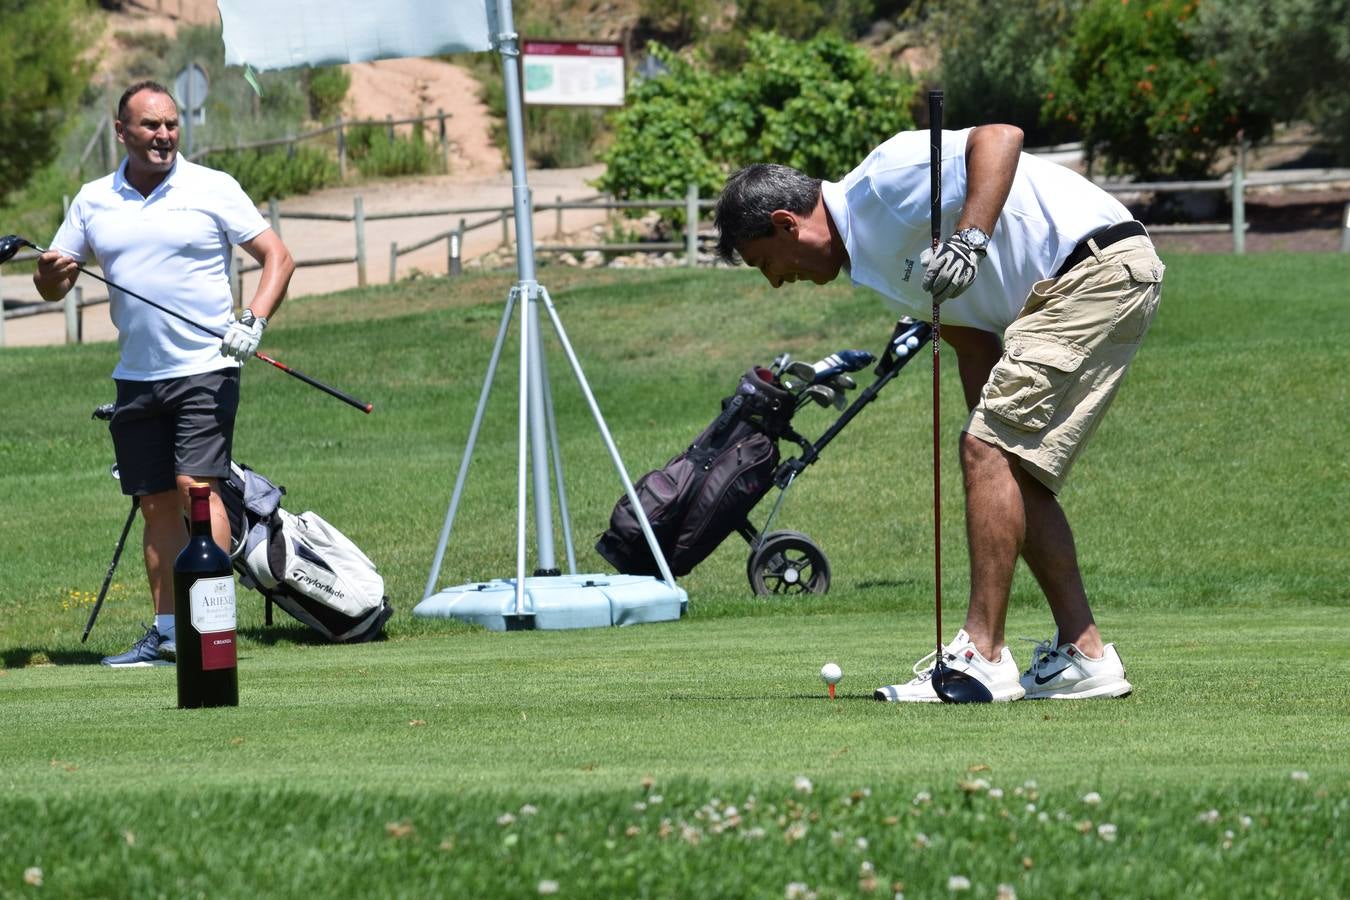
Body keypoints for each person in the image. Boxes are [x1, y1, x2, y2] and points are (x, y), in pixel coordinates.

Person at [714, 124, 1164, 702]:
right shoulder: (873, 268)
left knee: (990, 453)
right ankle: (1086, 656)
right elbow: (974, 341)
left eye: (764, 263)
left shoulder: (880, 182)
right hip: (1077, 287)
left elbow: (1001, 137)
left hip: (1094, 267)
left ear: (785, 223)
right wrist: (990, 453)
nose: (776, 281)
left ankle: (980, 658)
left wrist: (968, 240)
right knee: (1006, 466)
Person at [34, 81, 295, 666]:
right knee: (155, 503)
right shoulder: (93, 199)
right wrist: (50, 273)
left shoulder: (212, 187)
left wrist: (252, 319)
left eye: (171, 124)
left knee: (194, 491)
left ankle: (213, 627)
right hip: (136, 378)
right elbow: (54, 286)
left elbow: (278, 256)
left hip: (205, 369)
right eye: (150, 125)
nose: (163, 135)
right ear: (121, 131)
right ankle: (172, 634)